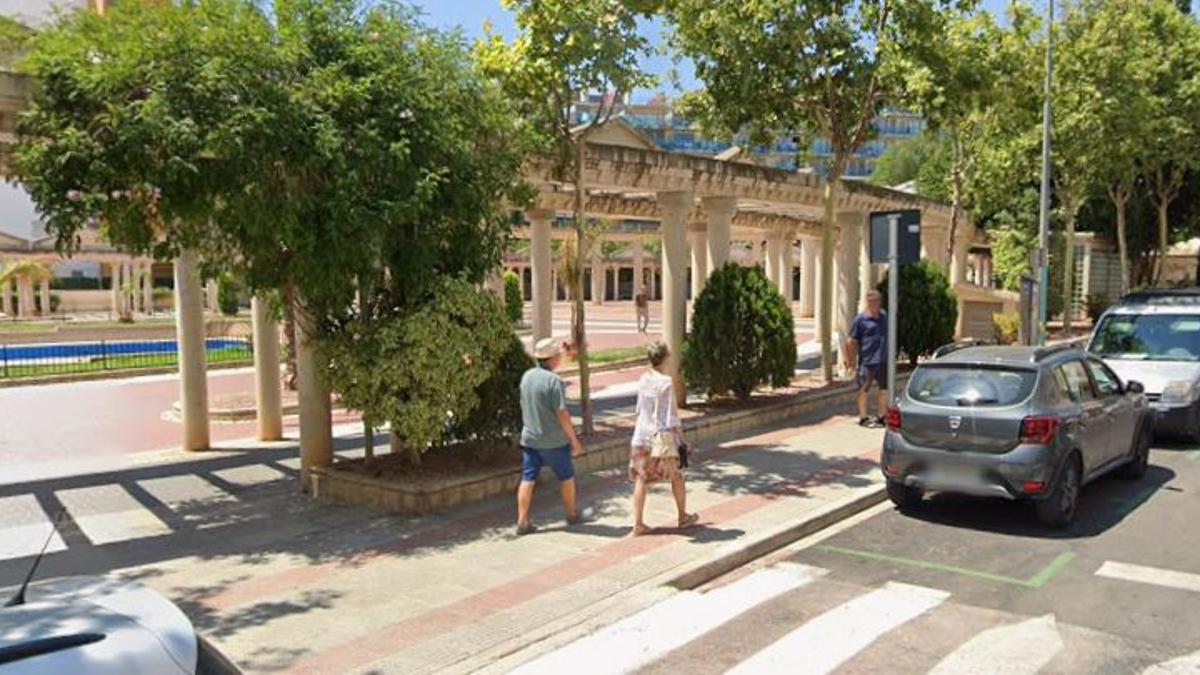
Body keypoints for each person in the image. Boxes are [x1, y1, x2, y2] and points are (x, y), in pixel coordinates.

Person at [628, 340, 699, 536]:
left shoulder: (643, 379)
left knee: (641, 479)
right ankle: (683, 516)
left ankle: (638, 523)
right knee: (676, 475)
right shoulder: (666, 383)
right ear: (665, 358)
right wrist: (683, 440)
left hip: (641, 435)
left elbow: (639, 409)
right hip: (660, 438)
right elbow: (671, 416)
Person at [515, 337, 585, 536]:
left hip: (530, 438)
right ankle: (571, 513)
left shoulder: (527, 376)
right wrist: (574, 440)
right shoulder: (554, 381)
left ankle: (522, 520)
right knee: (566, 477)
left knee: (528, 478)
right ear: (552, 358)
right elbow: (562, 413)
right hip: (554, 440)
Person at [845, 289, 889, 428]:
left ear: (879, 302)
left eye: (875, 301)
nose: (873, 304)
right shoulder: (861, 319)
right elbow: (851, 341)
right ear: (867, 302)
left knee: (884, 389)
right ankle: (863, 417)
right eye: (870, 302)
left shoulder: (884, 316)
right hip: (867, 360)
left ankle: (881, 416)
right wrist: (850, 359)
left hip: (883, 360)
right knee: (864, 389)